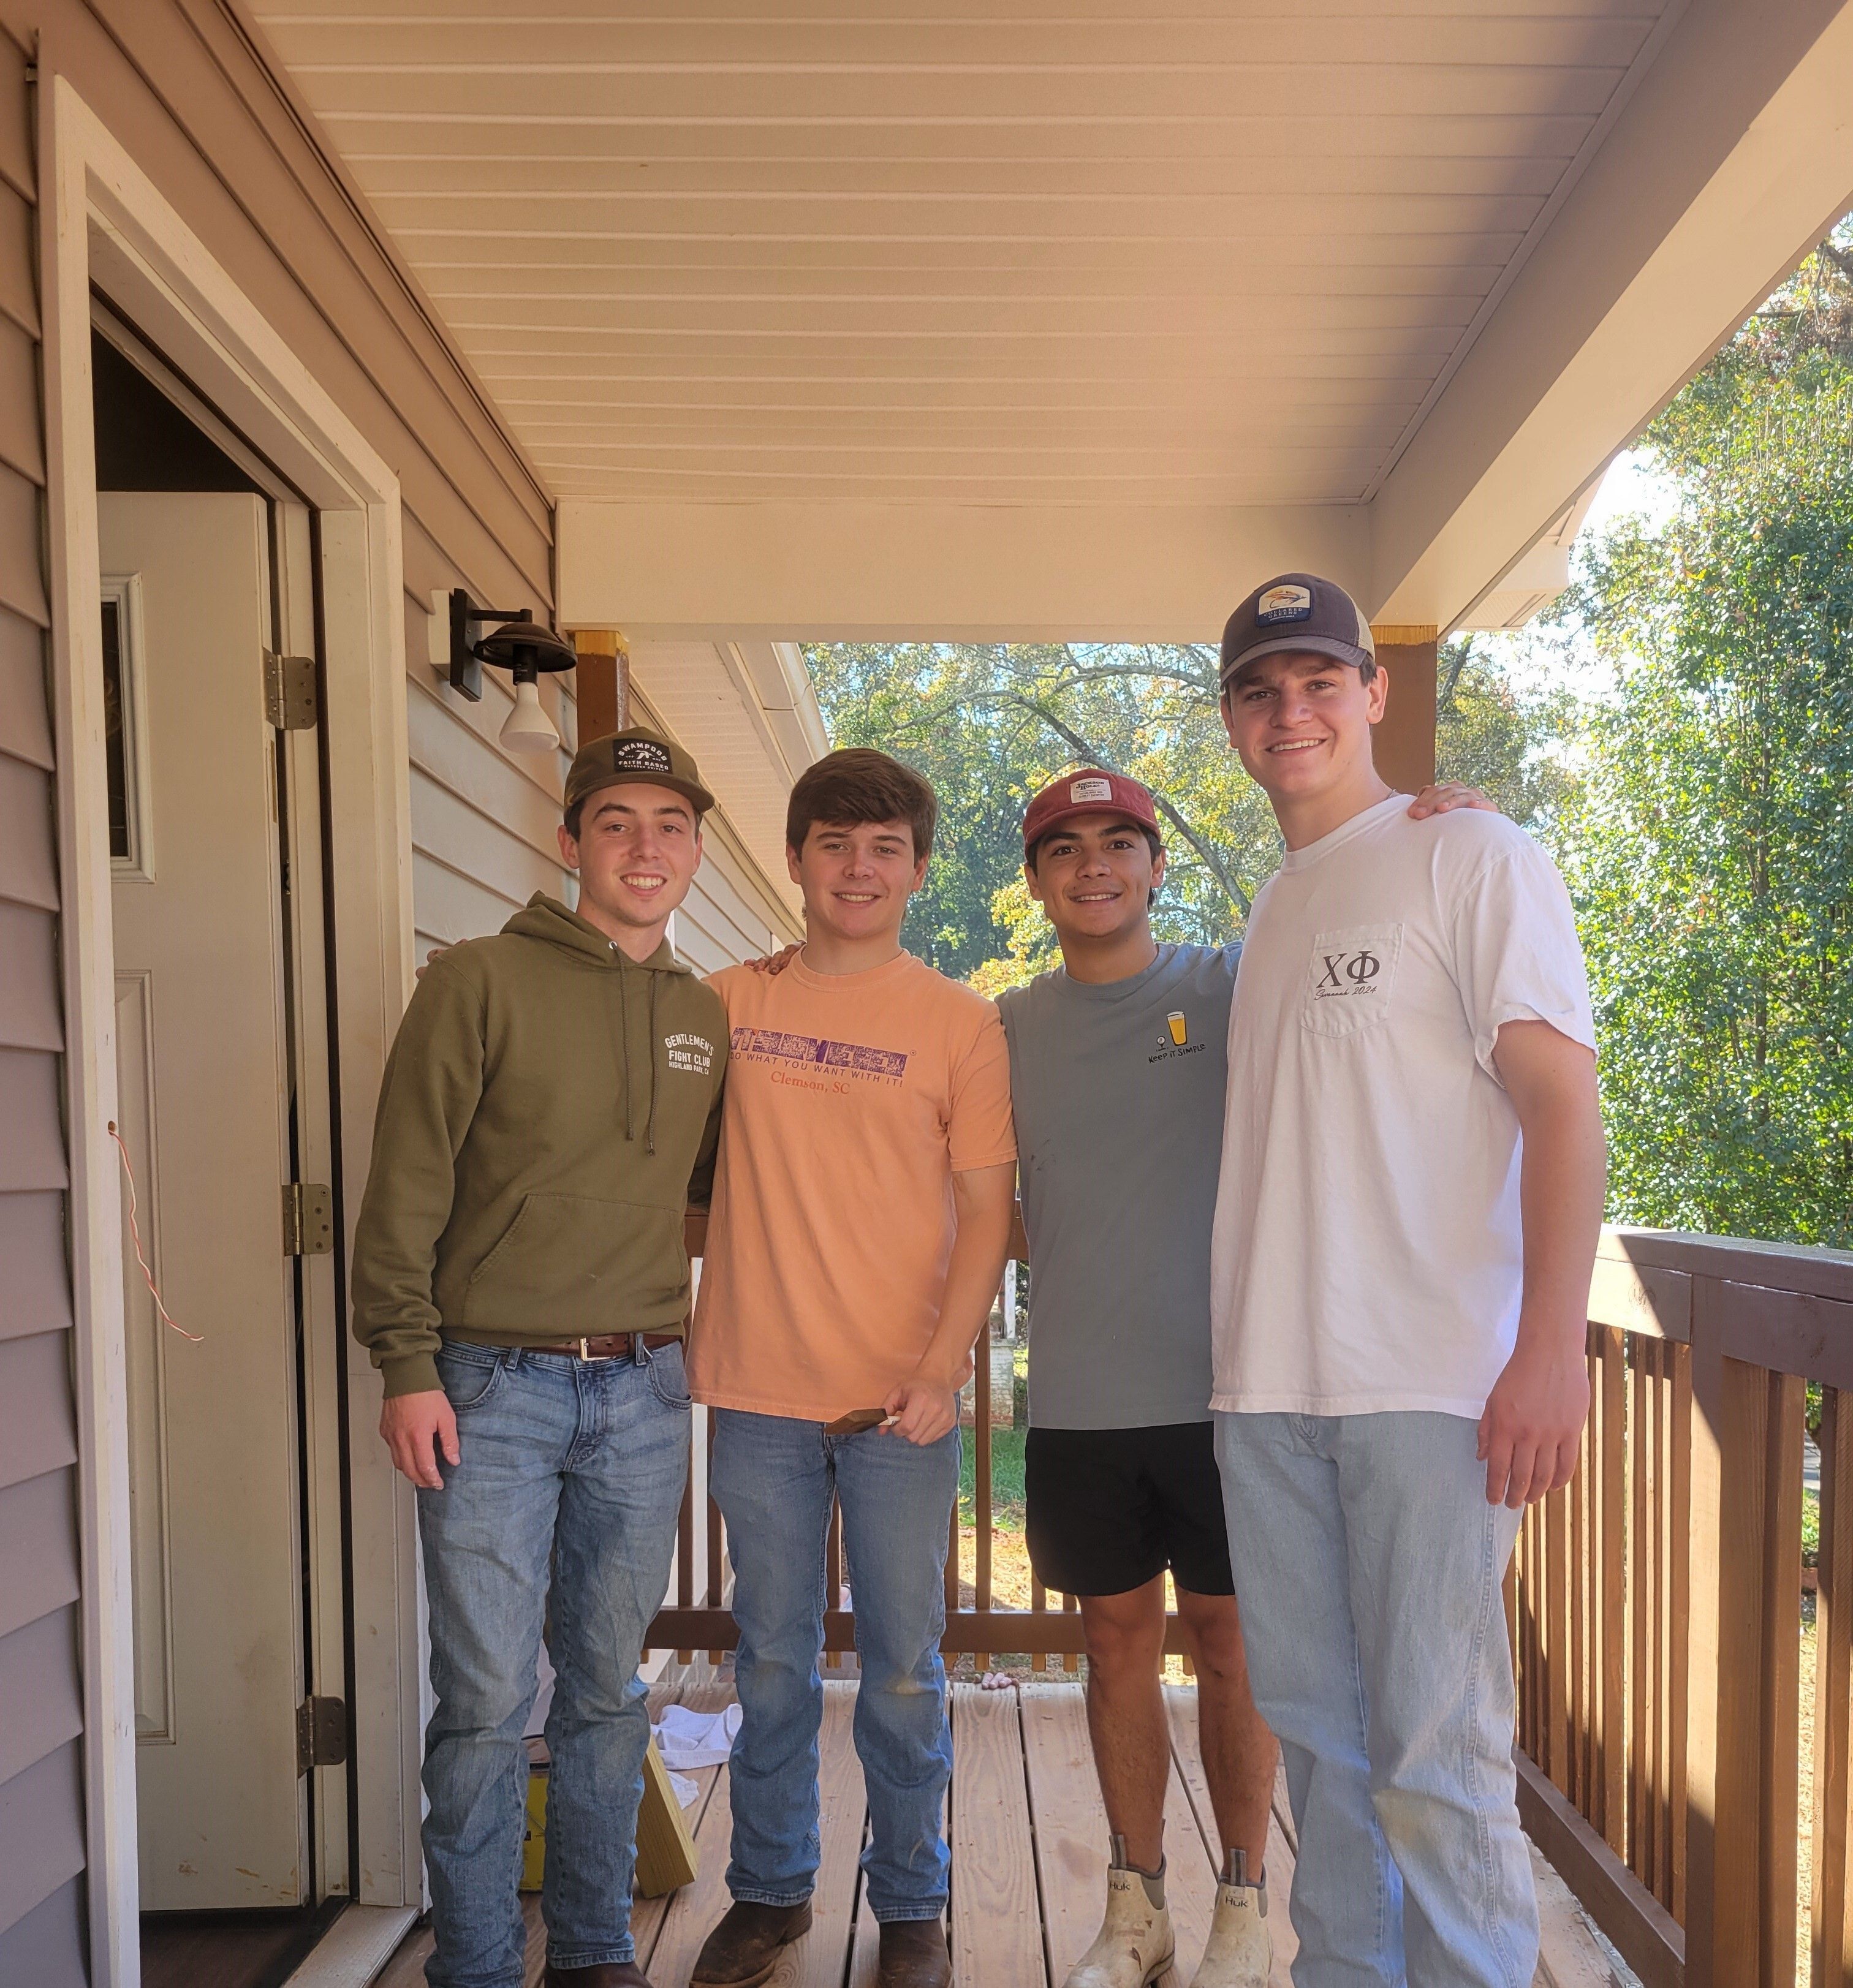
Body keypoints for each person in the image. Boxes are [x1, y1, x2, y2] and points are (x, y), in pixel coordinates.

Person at [998, 764, 1491, 1988]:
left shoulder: (1236, 980)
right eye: (1067, 850)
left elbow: (1369, 938)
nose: (1095, 865)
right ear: (1038, 883)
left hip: (1236, 1388)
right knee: (1113, 1646)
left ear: (1157, 868)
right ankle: (1135, 1907)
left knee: (1237, 1647)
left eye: (1121, 843)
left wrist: (1442, 822)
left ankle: (1239, 1906)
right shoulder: (1002, 1027)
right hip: (1076, 1392)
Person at [1208, 575, 1606, 1988]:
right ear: (1234, 724)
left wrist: (1546, 1348)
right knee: (1321, 1747)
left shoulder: (1476, 857)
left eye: (1321, 681)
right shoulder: (1272, 906)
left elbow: (1563, 1107)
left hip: (1427, 1388)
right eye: (1260, 689)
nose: (1291, 711)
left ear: (1376, 695)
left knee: (1437, 1759)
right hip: (1266, 1391)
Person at [351, 728, 730, 1988]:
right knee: (483, 1701)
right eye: (616, 822)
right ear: (569, 844)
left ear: (694, 850)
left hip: (643, 1388)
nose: (646, 847)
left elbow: (730, 1193)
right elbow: (405, 1184)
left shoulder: (700, 1017)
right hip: (489, 1389)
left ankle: (590, 1951)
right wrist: (405, 1362)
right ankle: (469, 1964)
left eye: (671, 826)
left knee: (608, 1695)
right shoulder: (476, 980)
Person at [686, 748, 1017, 1988]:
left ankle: (915, 1906)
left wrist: (944, 1370)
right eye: (835, 843)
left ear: (920, 869)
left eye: (885, 848)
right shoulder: (725, 1003)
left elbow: (987, 1211)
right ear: (796, 860)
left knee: (901, 1665)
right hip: (760, 1393)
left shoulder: (960, 1024)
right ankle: (770, 1896)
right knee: (769, 1659)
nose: (859, 867)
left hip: (900, 1406)